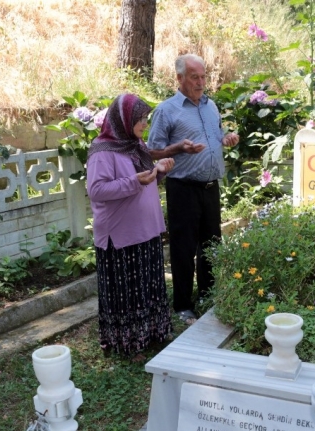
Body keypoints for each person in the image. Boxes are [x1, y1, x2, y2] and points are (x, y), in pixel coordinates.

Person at [147, 54, 239, 325]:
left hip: (211, 187)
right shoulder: (167, 110)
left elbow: (215, 137)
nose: (201, 83)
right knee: (184, 248)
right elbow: (152, 151)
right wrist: (178, 148)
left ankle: (208, 296)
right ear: (180, 78)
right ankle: (184, 305)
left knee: (211, 246)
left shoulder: (211, 106)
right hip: (183, 188)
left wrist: (226, 139)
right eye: (194, 77)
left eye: (203, 77)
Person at [86, 93, 175, 356]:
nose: (145, 124)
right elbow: (97, 190)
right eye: (140, 119)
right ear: (123, 119)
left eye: (145, 118)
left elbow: (143, 181)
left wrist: (159, 171)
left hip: (145, 231)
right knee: (127, 293)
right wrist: (136, 182)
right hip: (121, 236)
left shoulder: (134, 144)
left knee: (148, 288)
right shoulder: (102, 151)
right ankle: (128, 342)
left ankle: (151, 334)